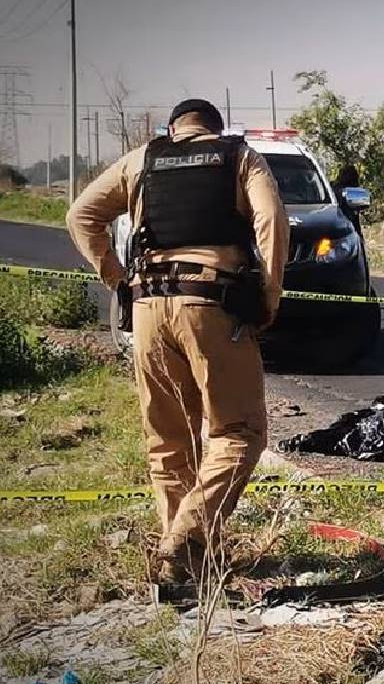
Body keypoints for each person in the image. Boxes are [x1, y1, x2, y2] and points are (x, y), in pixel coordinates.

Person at [66, 99, 288, 583]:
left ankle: (182, 568)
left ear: (173, 129)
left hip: (148, 306)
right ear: (214, 128)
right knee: (238, 433)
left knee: (168, 441)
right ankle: (186, 534)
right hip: (212, 303)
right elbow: (271, 219)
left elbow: (81, 216)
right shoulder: (239, 157)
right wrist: (268, 296)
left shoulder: (142, 158)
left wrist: (117, 279)